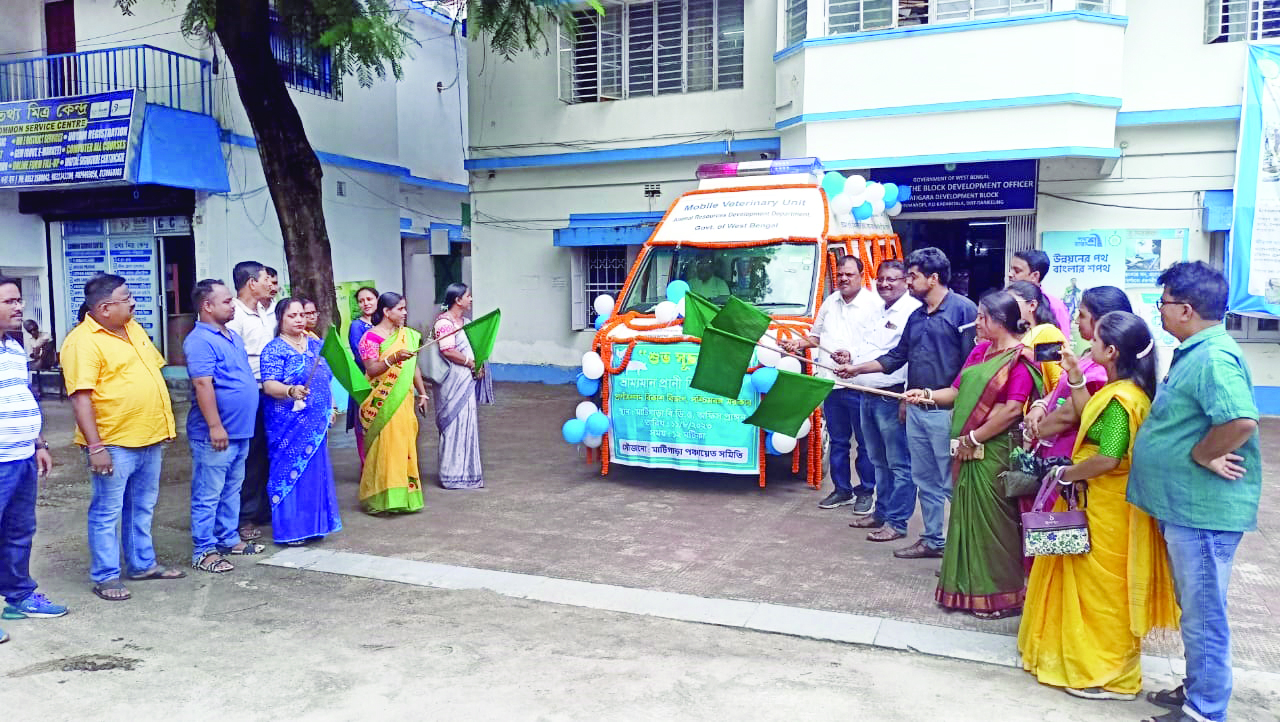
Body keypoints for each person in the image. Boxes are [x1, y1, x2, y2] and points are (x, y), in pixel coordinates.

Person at [1019, 310, 1179, 701]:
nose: (1086, 345)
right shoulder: (1122, 391)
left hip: (1108, 508)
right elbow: (1089, 412)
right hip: (1104, 503)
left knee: (1102, 594)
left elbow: (1109, 457)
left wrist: (1067, 475)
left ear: (1110, 350)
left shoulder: (1122, 399)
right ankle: (1086, 660)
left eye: (1093, 342)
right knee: (1093, 589)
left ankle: (1110, 675)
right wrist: (1074, 375)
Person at [1128, 262, 1262, 722]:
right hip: (1186, 507)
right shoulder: (1196, 350)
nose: (1159, 312)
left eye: (1162, 304)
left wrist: (1206, 454)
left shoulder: (1212, 357)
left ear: (1185, 310)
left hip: (1201, 511)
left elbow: (1240, 420)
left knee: (1204, 614)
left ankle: (1205, 710)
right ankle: (1198, 688)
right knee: (1197, 608)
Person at [902, 290, 1041, 619]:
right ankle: (965, 591)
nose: (976, 323)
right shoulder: (979, 353)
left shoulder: (1019, 359)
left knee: (995, 524)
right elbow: (956, 390)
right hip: (968, 447)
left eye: (982, 318)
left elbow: (1011, 411)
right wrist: (925, 395)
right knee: (967, 519)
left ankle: (1002, 598)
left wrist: (974, 437)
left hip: (995, 451)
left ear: (1000, 322)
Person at [838, 247, 977, 560]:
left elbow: (972, 366)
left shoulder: (963, 311)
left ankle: (965, 548)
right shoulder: (916, 315)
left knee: (950, 483)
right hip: (915, 409)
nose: (909, 282)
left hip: (947, 412)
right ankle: (933, 541)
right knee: (924, 479)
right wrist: (857, 368)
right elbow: (897, 357)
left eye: (913, 276)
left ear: (934, 278)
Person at [62, 274, 183, 602]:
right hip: (113, 443)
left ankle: (142, 564)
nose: (133, 302)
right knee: (107, 510)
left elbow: (151, 376)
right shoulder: (82, 342)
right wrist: (96, 446)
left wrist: (164, 426)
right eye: (126, 297)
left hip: (149, 436)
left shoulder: (133, 328)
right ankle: (105, 576)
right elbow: (81, 397)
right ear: (104, 308)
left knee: (142, 506)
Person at [782, 255, 879, 512]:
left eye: (850, 274)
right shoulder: (830, 302)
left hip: (861, 385)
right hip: (832, 384)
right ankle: (842, 490)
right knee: (838, 441)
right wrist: (797, 344)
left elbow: (881, 346)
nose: (844, 279)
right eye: (841, 275)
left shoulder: (874, 305)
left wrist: (853, 356)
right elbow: (815, 338)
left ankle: (866, 491)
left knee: (866, 443)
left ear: (861, 275)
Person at [184, 280, 264, 574]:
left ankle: (228, 538)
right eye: (227, 301)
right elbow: (203, 384)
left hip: (240, 430)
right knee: (208, 493)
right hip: (216, 434)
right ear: (207, 306)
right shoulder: (199, 340)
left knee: (232, 489)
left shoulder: (232, 336)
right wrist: (215, 426)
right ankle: (204, 550)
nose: (233, 306)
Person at [0, 277, 64, 643]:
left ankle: (19, 597)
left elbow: (24, 396)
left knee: (20, 531)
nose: (19, 307)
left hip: (21, 456)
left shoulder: (11, 347)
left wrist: (38, 442)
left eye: (19, 300)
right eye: (10, 301)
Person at [847, 260, 922, 541]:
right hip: (867, 393)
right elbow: (869, 347)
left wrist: (906, 397)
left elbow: (907, 359)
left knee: (899, 464)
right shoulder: (878, 309)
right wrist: (850, 357)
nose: (885, 284)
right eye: (881, 279)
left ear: (905, 281)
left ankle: (897, 522)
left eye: (892, 279)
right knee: (878, 460)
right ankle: (882, 512)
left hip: (892, 396)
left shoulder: (912, 312)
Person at [259, 298, 343, 545]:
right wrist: (290, 391)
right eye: (292, 316)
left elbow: (326, 377)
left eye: (301, 315)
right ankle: (291, 530)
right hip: (287, 424)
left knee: (315, 472)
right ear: (280, 319)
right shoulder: (274, 349)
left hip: (315, 422)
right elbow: (269, 384)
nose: (298, 320)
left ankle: (314, 526)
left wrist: (332, 406)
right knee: (289, 471)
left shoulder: (316, 344)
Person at [1026, 287, 1132, 459]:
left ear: (1103, 321)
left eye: (1082, 315)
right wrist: (1043, 404)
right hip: (1055, 444)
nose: (1076, 321)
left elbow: (1071, 413)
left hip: (1070, 451)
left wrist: (1034, 433)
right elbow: (1065, 388)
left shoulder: (1104, 365)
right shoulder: (1091, 354)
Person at [358, 292, 429, 512]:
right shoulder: (370, 338)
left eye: (405, 308)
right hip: (382, 401)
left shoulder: (407, 336)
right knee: (386, 446)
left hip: (404, 399)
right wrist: (393, 358)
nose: (405, 313)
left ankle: (405, 498)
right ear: (387, 312)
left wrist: (423, 393)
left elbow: (413, 366)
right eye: (400, 309)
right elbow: (371, 368)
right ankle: (382, 497)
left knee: (404, 445)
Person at [225, 261, 277, 542]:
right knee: (250, 457)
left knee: (266, 453)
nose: (269, 284)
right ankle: (242, 517)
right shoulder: (235, 316)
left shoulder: (263, 311)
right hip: (251, 392)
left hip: (270, 391)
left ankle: (261, 509)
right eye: (264, 279)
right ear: (250, 283)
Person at [431, 283, 486, 490]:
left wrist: (478, 365)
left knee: (467, 423)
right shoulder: (444, 323)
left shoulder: (466, 322)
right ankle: (451, 475)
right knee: (453, 424)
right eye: (468, 296)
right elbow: (448, 351)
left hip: (467, 380)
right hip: (452, 381)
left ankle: (468, 474)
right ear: (457, 300)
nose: (471, 300)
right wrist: (471, 363)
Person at [1007, 280, 1066, 394]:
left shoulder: (1046, 335)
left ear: (1032, 305)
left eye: (1012, 303)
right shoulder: (1011, 335)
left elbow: (1058, 384)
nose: (1006, 308)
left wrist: (1040, 408)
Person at [1008, 250, 1072, 340]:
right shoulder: (1005, 301)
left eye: (1017, 271)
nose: (1010, 274)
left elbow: (1062, 344)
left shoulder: (1055, 306)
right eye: (1010, 269)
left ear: (1035, 276)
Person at [347, 286, 378, 461]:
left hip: (385, 379)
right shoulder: (357, 326)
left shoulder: (384, 323)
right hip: (365, 380)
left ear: (377, 300)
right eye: (361, 301)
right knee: (365, 423)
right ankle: (367, 467)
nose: (365, 303)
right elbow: (361, 356)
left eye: (369, 299)